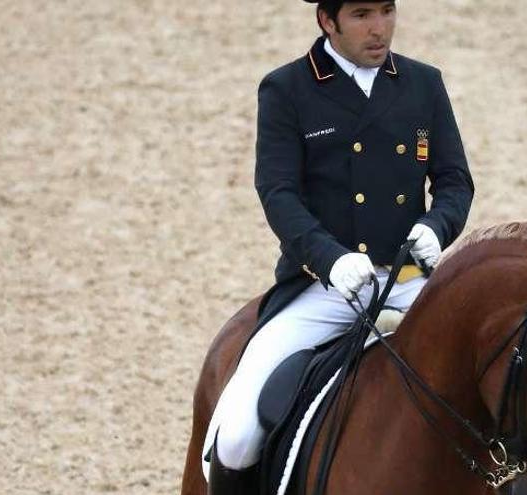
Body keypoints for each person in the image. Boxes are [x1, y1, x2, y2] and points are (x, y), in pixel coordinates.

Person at [203, 0, 474, 492]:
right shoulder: (287, 89)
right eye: (362, 14)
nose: (379, 29)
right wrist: (330, 259)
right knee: (237, 435)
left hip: (408, 282)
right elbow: (278, 193)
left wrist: (438, 225)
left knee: (497, 391)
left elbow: (455, 180)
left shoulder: (422, 83)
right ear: (327, 21)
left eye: (387, 11)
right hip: (325, 290)